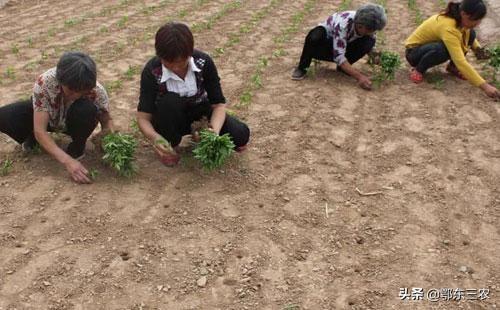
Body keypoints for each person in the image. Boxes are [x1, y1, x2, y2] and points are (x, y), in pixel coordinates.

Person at [136, 22, 250, 166]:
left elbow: (218, 105)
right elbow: (143, 118)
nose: (176, 67)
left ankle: (198, 137)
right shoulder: (152, 70)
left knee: (240, 134)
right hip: (169, 120)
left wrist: (212, 132)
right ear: (160, 56)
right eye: (169, 63)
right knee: (169, 101)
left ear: (189, 54)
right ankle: (172, 145)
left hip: (199, 114)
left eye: (181, 62)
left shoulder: (203, 62)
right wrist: (156, 139)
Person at [0, 52, 114, 183]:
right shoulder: (45, 82)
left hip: (73, 122)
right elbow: (40, 130)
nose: (76, 95)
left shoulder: (96, 90)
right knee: (6, 116)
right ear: (60, 80)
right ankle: (32, 139)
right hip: (49, 117)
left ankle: (77, 147)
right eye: (71, 90)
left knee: (86, 110)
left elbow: (107, 121)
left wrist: (109, 140)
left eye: (81, 91)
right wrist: (67, 162)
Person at [405, 0, 499, 98]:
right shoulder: (449, 27)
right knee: (442, 49)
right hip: (413, 53)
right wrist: (485, 86)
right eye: (475, 20)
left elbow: (467, 33)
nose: (477, 23)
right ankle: (418, 70)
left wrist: (478, 50)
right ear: (464, 14)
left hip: (428, 46)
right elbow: (461, 62)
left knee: (471, 33)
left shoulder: (459, 18)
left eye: (479, 20)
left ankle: (452, 68)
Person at [291, 3, 387, 90]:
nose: (373, 32)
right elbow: (339, 57)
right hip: (326, 43)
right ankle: (302, 68)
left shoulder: (368, 25)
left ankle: (343, 68)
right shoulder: (343, 25)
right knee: (314, 37)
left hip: (345, 43)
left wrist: (376, 58)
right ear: (360, 26)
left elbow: (369, 46)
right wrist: (360, 77)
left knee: (369, 42)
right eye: (371, 30)